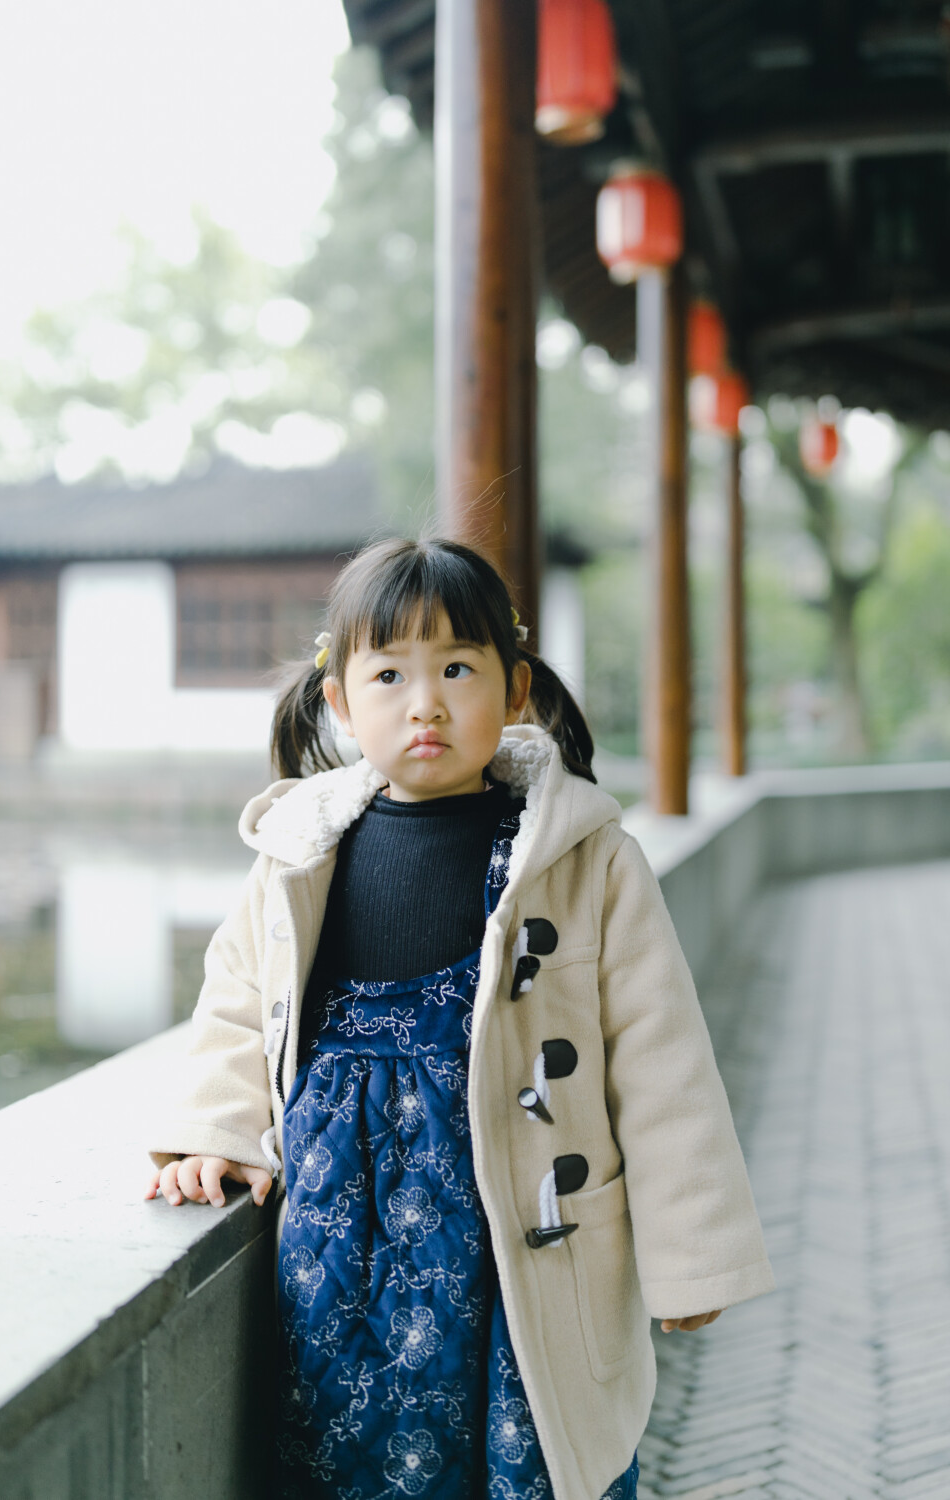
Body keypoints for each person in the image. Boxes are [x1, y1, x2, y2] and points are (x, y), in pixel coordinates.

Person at [146, 537, 774, 1500]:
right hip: (338, 1233)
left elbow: (659, 1059)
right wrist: (216, 1132)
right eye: (389, 673)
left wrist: (692, 1257)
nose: (424, 702)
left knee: (533, 1445)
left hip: (516, 1219)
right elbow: (238, 1000)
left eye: (456, 669)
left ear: (515, 690)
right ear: (343, 703)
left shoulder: (582, 858)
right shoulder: (302, 853)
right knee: (346, 1450)